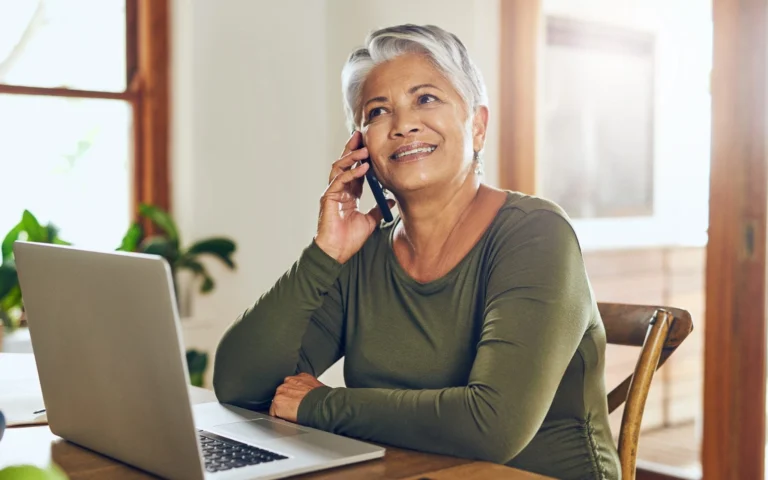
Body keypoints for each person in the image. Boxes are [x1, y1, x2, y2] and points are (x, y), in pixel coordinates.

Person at [213, 24, 620, 479]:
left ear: (478, 125)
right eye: (377, 111)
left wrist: (319, 404)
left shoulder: (537, 233)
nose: (403, 124)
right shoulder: (364, 252)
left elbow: (492, 426)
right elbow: (240, 386)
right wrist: (324, 254)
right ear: (360, 147)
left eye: (426, 98)